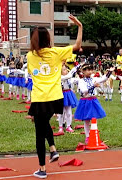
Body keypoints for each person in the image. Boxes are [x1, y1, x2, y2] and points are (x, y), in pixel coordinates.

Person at [26, 14, 82, 179]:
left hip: (40, 98)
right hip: (56, 97)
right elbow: (77, 45)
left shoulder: (30, 56)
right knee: (44, 124)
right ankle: (53, 149)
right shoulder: (57, 52)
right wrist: (79, 26)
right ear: (48, 38)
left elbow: (32, 73)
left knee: (39, 131)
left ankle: (42, 169)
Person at [74, 64, 114, 144]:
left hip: (93, 100)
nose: (90, 72)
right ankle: (87, 136)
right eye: (88, 70)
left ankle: (94, 134)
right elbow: (84, 91)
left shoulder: (94, 79)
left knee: (93, 118)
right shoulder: (81, 81)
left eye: (91, 70)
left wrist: (110, 71)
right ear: (83, 71)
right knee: (86, 120)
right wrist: (93, 86)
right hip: (85, 101)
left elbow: (103, 79)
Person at [57, 64, 80, 134]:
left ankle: (68, 126)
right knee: (60, 113)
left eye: (66, 69)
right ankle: (60, 127)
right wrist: (75, 68)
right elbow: (69, 75)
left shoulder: (69, 78)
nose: (66, 70)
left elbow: (76, 80)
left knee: (69, 112)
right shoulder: (60, 77)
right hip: (61, 94)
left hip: (68, 94)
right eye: (64, 69)